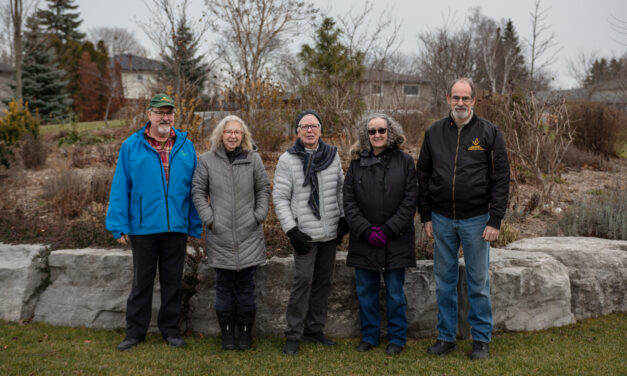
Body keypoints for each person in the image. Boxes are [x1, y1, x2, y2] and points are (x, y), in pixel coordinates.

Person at [417, 78, 510, 360]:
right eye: (455, 98)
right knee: (444, 282)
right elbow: (422, 175)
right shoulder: (433, 133)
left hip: (477, 220)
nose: (460, 103)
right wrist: (426, 216)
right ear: (447, 99)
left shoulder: (489, 133)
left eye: (465, 98)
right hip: (442, 220)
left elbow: (501, 178)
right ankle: (446, 337)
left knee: (478, 283)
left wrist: (495, 220)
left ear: (474, 101)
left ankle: (481, 339)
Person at [106, 93, 202, 351]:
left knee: (173, 281)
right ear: (149, 114)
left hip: (175, 227)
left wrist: (194, 224)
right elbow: (120, 187)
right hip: (143, 227)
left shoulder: (185, 145)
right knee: (141, 282)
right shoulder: (132, 145)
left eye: (169, 112)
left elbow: (194, 188)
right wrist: (118, 224)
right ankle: (135, 332)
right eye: (159, 112)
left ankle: (170, 330)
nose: (165, 117)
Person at [272, 109, 349, 355]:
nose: (309, 130)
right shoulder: (288, 159)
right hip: (303, 234)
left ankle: (314, 330)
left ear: (320, 129)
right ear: (297, 131)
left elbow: (341, 189)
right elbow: (280, 198)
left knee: (323, 283)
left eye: (313, 125)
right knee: (303, 281)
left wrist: (343, 219)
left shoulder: (332, 156)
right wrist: (291, 230)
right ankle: (293, 334)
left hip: (328, 234)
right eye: (304, 126)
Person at [191, 115, 270, 350]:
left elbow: (263, 188)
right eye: (229, 132)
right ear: (220, 134)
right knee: (224, 288)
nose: (233, 135)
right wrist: (210, 219)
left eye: (237, 132)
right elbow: (198, 191)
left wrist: (259, 215)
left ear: (243, 135)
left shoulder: (253, 159)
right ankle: (227, 335)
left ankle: (245, 335)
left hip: (249, 234)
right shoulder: (206, 161)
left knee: (246, 288)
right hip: (220, 234)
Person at [343, 113, 418, 356]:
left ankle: (396, 338)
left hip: (396, 239)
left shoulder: (405, 162)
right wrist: (366, 230)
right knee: (366, 292)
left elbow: (410, 200)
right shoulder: (356, 164)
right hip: (364, 240)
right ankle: (370, 335)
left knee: (395, 293)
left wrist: (387, 230)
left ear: (390, 132)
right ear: (365, 135)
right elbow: (349, 202)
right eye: (372, 131)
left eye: (381, 131)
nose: (377, 135)